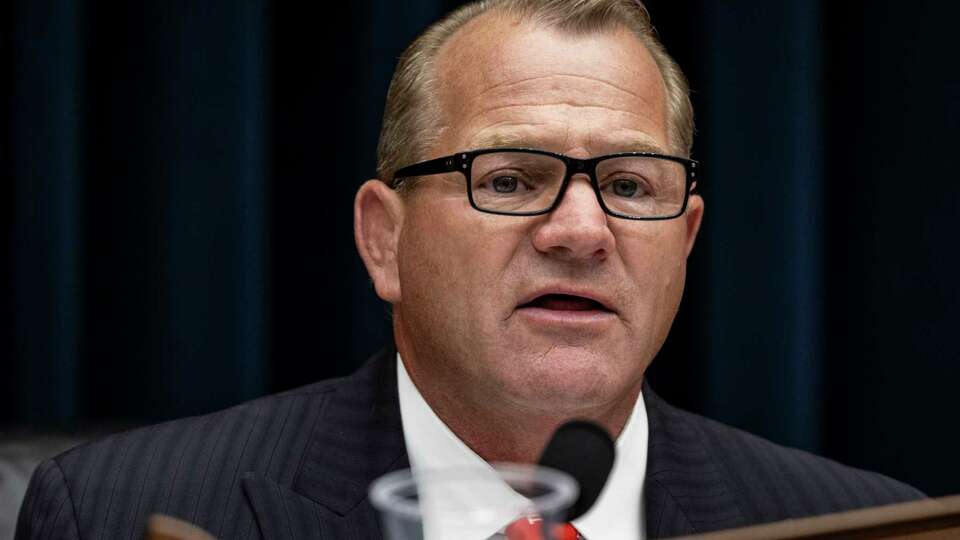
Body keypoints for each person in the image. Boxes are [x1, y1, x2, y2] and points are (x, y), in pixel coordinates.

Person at [15, 1, 922, 539]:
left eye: (630, 184)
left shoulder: (877, 530)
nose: (581, 231)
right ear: (384, 240)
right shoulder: (118, 514)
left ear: (684, 241)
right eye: (511, 178)